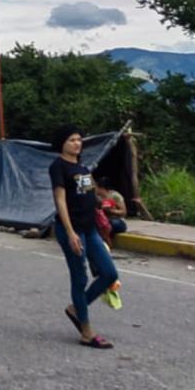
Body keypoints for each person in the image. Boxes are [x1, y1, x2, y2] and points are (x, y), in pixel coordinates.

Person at [50, 125, 118, 349]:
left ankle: (76, 309)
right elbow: (60, 201)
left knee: (109, 273)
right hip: (73, 230)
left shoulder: (83, 167)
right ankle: (86, 332)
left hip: (91, 229)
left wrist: (103, 207)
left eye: (79, 140)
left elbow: (89, 195)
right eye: (71, 140)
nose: (77, 143)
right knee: (80, 278)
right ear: (62, 143)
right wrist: (70, 233)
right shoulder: (58, 167)